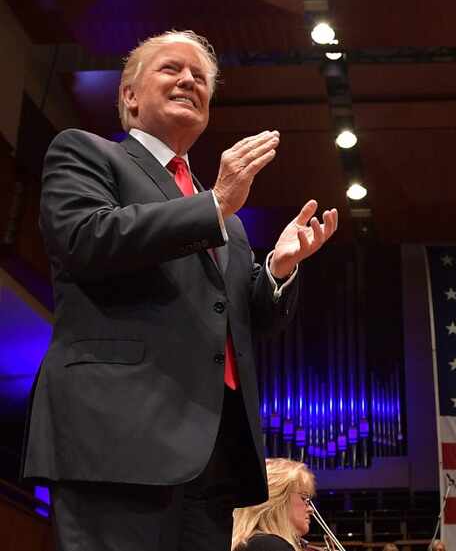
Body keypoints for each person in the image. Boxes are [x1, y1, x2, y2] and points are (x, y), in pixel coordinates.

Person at [21, 29, 337, 551]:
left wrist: (278, 271)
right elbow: (85, 238)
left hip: (211, 455)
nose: (189, 80)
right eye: (171, 69)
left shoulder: (229, 222)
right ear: (129, 95)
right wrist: (213, 206)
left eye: (201, 78)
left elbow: (245, 323)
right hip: (117, 439)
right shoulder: (86, 153)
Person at [231, 458, 315, 551]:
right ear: (277, 499)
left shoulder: (251, 543)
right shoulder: (270, 546)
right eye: (304, 498)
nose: (311, 509)